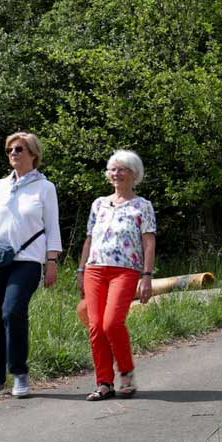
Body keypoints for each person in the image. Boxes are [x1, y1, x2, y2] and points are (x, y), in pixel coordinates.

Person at [0, 131, 62, 398]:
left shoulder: (45, 188)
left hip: (27, 261)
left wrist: (51, 260)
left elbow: (52, 226)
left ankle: (19, 373)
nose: (13, 154)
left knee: (12, 312)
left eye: (19, 149)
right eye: (10, 150)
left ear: (33, 154)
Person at [76, 150, 156, 401]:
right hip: (95, 269)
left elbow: (149, 242)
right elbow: (89, 239)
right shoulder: (98, 203)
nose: (116, 173)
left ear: (134, 175)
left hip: (126, 270)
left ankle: (126, 373)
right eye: (113, 169)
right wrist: (81, 269)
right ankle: (104, 382)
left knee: (112, 323)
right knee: (96, 325)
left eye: (122, 169)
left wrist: (147, 276)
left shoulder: (143, 206)